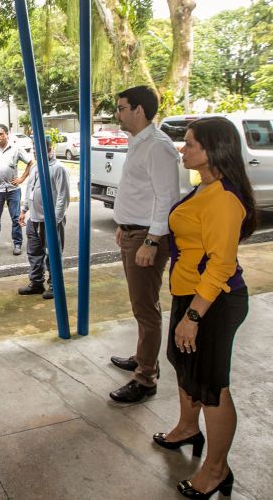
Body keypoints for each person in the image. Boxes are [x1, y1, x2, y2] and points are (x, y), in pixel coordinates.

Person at [153, 117, 255, 498]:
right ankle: (186, 428)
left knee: (212, 386)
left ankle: (216, 469)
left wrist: (194, 316)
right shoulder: (205, 188)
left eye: (191, 144)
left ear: (213, 151)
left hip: (213, 302)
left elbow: (222, 265)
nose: (183, 149)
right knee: (184, 367)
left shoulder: (224, 199)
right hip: (190, 295)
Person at [108, 85, 180, 403]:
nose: (117, 113)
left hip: (147, 238)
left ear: (138, 110)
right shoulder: (138, 142)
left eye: (121, 107)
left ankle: (146, 377)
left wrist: (151, 240)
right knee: (141, 306)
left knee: (146, 309)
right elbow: (141, 192)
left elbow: (167, 198)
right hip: (133, 233)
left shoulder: (157, 146)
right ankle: (143, 357)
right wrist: (125, 225)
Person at [17, 138, 70, 299]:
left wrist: (55, 220)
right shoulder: (34, 167)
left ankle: (55, 285)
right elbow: (29, 190)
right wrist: (24, 209)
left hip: (51, 221)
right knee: (34, 253)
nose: (36, 152)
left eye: (40, 149)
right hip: (34, 219)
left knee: (53, 254)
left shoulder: (58, 168)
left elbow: (63, 197)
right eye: (34, 150)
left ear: (49, 149)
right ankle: (36, 282)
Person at [0, 124, 34, 256]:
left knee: (16, 218)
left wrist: (21, 179)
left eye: (0, 134)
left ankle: (17, 244)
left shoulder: (16, 149)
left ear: (6, 134)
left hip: (13, 189)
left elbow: (30, 163)